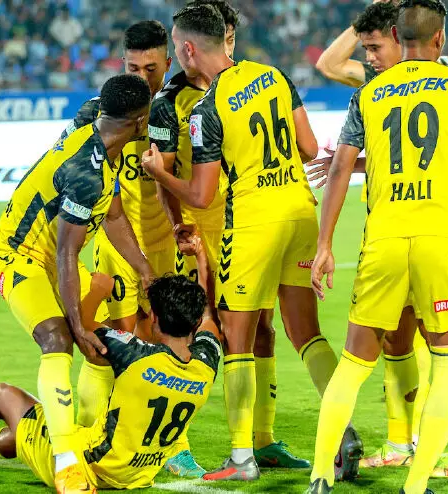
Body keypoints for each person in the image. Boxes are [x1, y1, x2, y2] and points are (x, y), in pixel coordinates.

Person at [142, 4, 359, 481]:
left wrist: (159, 172)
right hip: (299, 213)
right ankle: (342, 431)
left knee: (236, 340)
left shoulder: (207, 108)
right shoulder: (274, 76)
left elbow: (199, 193)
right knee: (305, 332)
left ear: (188, 49)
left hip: (249, 225)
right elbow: (308, 149)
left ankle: (243, 457)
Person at [305, 1, 448, 493]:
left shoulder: (370, 92)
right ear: (440, 38)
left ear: (397, 36)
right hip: (442, 240)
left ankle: (319, 477)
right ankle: (417, 484)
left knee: (354, 364)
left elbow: (339, 168)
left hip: (384, 240)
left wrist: (325, 243)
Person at [0, 253, 223, 493]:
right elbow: (209, 317)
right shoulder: (206, 362)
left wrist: (97, 292)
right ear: (194, 323)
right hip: (135, 475)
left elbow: (82, 329)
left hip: (86, 466)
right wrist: (202, 263)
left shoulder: (135, 355)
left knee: (3, 396)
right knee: (35, 425)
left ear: (155, 320)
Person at [0, 73, 156, 493]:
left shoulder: (97, 123)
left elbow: (113, 216)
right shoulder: (86, 173)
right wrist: (76, 323)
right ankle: (66, 463)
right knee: (58, 338)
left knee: (99, 344)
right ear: (138, 121)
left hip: (52, 256)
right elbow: (66, 252)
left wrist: (145, 270)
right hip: (17, 255)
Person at [62, 21, 205, 478]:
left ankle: (172, 444)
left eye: (151, 69)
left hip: (167, 241)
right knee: (116, 340)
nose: (142, 77)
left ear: (168, 63)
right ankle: (96, 432)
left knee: (168, 341)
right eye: (132, 68)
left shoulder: (179, 108)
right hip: (117, 241)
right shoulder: (102, 111)